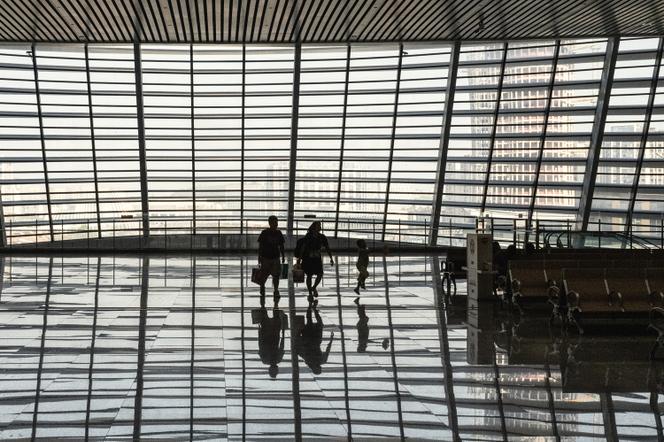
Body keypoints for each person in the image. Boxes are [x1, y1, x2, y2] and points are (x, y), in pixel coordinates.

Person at [297, 221, 334, 305]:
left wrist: (331, 257)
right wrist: (300, 258)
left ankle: (313, 288)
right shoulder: (309, 236)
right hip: (308, 258)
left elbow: (327, 247)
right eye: (318, 225)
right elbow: (303, 247)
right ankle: (310, 291)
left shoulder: (322, 237)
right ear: (314, 227)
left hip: (316, 258)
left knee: (320, 274)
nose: (320, 227)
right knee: (309, 275)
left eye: (320, 225)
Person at [295, 305, 333, 375]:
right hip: (311, 340)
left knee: (317, 323)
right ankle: (311, 308)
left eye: (319, 369)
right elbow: (300, 353)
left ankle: (313, 309)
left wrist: (331, 340)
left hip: (315, 340)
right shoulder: (310, 361)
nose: (320, 367)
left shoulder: (319, 361)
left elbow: (328, 350)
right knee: (310, 321)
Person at [258, 215, 285, 306]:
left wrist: (283, 255)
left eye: (276, 222)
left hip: (275, 257)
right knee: (264, 274)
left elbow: (281, 246)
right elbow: (260, 246)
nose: (276, 224)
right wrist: (260, 257)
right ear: (270, 223)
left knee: (276, 275)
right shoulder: (264, 233)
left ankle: (276, 290)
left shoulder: (279, 233)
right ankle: (262, 286)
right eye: (274, 222)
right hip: (266, 257)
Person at [257, 307, 286, 379]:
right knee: (264, 316)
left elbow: (281, 347)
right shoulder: (265, 360)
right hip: (265, 335)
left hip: (275, 335)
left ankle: (275, 302)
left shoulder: (278, 359)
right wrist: (259, 333)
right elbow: (260, 345)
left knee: (276, 316)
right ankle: (263, 301)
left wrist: (283, 335)